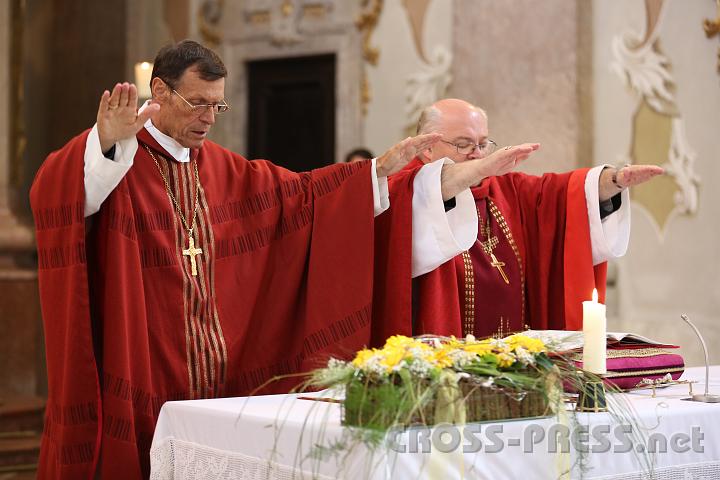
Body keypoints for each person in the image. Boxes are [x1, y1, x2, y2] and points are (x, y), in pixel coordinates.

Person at [29, 42, 538, 479]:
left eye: (218, 107)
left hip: (218, 382)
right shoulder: (118, 160)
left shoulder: (229, 173)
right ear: (158, 92)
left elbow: (305, 198)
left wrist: (374, 173)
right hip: (139, 364)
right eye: (198, 103)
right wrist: (104, 145)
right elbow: (65, 197)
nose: (209, 117)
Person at [386, 98, 663, 339]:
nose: (478, 153)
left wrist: (612, 180)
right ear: (427, 149)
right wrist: (481, 168)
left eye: (483, 144)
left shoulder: (506, 191)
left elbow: (560, 196)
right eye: (463, 144)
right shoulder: (401, 191)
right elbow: (431, 190)